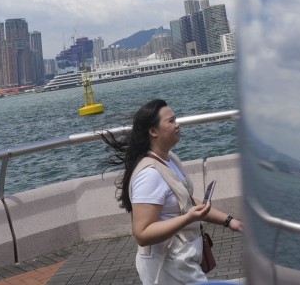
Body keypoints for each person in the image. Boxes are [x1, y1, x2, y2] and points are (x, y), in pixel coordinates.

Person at [102, 99, 243, 284]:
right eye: (171, 121)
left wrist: (229, 221)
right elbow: (142, 233)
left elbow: (187, 201)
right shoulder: (149, 175)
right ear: (153, 131)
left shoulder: (170, 159)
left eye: (176, 119)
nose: (177, 124)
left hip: (182, 263)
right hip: (166, 268)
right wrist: (188, 218)